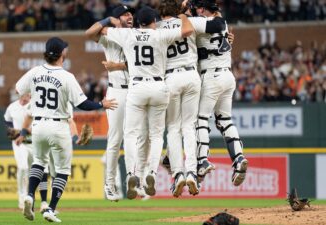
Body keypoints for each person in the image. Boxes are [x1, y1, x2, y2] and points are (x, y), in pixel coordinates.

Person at [16, 37, 116, 222]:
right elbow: (83, 104)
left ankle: (30, 195)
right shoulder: (66, 76)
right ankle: (50, 209)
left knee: (38, 162)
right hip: (58, 125)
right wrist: (102, 103)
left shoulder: (35, 72)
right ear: (62, 53)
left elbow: (18, 90)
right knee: (62, 170)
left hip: (38, 125)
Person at [99, 6, 194, 199]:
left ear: (138, 22)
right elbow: (187, 31)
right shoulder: (160, 35)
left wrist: (114, 22)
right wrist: (183, 15)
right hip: (159, 87)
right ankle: (151, 173)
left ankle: (131, 174)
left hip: (137, 88)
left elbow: (102, 30)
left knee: (131, 135)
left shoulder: (129, 35)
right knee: (156, 136)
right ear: (153, 21)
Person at [156, 0, 227, 197]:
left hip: (170, 77)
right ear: (179, 10)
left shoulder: (157, 27)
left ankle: (178, 174)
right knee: (189, 127)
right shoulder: (190, 21)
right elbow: (217, 25)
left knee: (173, 130)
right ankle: (192, 174)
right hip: (191, 76)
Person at [85, 5, 149, 201]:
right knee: (115, 139)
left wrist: (119, 65)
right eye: (125, 14)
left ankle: (138, 180)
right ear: (117, 18)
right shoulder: (110, 35)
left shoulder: (138, 34)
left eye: (131, 14)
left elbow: (144, 61)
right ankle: (109, 184)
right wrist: (108, 21)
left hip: (137, 89)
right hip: (117, 90)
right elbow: (88, 33)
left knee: (142, 138)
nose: (130, 16)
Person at [192, 0, 248, 186]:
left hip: (211, 77)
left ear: (203, 10)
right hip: (227, 75)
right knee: (225, 120)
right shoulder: (221, 22)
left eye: (199, 8)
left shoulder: (201, 22)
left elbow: (186, 26)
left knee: (200, 119)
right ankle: (239, 158)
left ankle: (202, 161)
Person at [3, 94, 33, 209]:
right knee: (23, 167)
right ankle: (22, 197)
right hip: (18, 143)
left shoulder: (34, 106)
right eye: (24, 94)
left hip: (33, 142)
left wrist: (26, 131)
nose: (26, 96)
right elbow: (7, 120)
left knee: (33, 172)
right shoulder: (12, 107)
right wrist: (11, 130)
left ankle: (30, 197)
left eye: (28, 94)